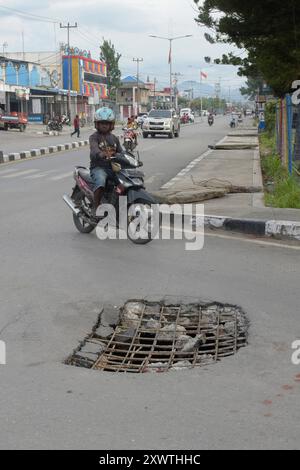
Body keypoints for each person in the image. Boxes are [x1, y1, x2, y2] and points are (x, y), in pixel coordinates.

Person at [89, 107, 123, 218]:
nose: (104, 125)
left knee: (123, 183)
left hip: (113, 168)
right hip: (99, 167)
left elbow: (121, 152)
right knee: (100, 181)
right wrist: (100, 154)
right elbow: (94, 149)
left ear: (111, 125)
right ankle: (96, 206)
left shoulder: (114, 138)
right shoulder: (94, 137)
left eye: (107, 123)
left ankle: (116, 205)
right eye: (102, 123)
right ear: (97, 124)